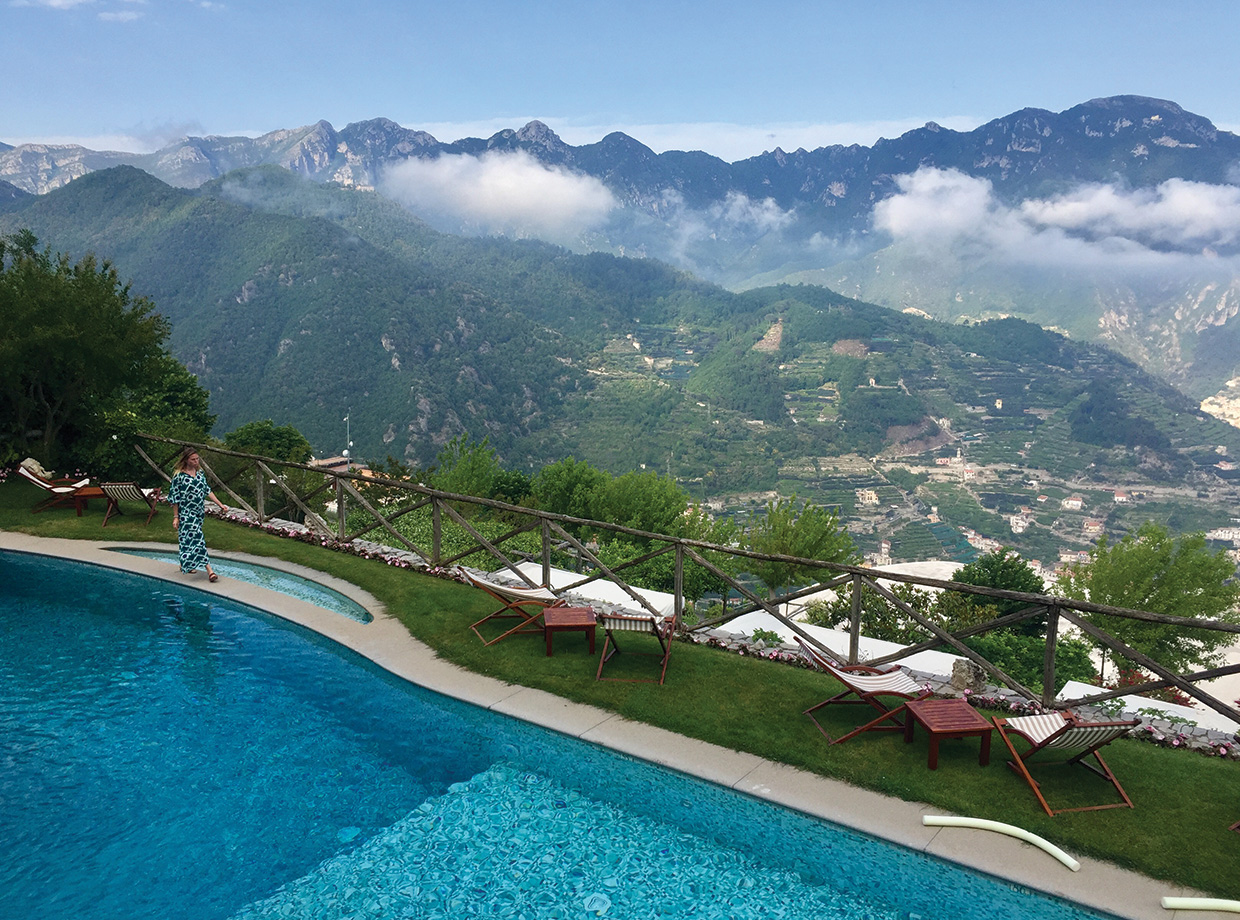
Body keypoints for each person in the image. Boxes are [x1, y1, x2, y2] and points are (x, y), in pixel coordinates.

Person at [168, 448, 227, 582]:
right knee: (198, 538)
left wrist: (220, 504)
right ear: (186, 460)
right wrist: (176, 517)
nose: (196, 462)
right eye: (193, 459)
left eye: (197, 459)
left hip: (198, 512)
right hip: (186, 513)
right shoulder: (179, 477)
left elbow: (207, 490)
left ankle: (186, 563)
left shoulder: (200, 474)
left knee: (188, 538)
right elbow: (174, 498)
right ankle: (210, 571)